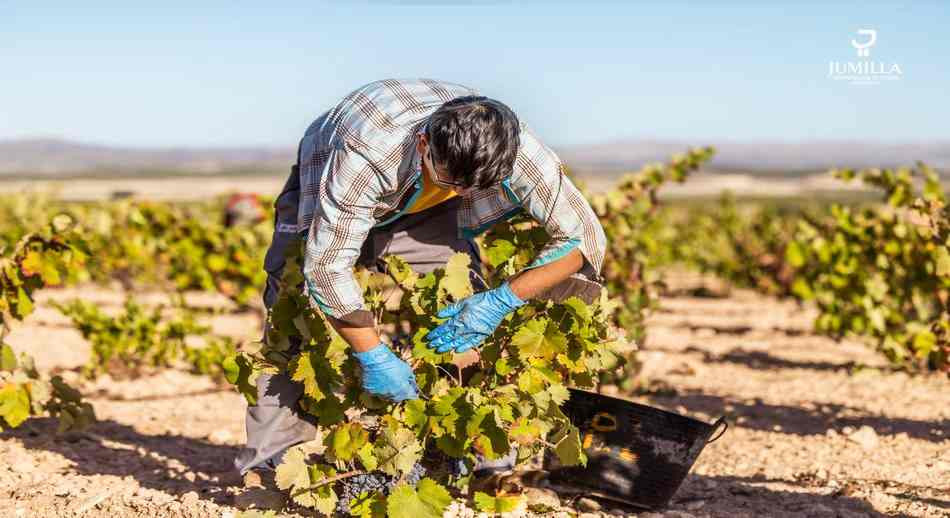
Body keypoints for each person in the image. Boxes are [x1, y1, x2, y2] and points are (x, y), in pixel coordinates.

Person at [234, 78, 607, 501]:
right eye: (451, 179)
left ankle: (480, 462)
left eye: (476, 186)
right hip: (330, 181)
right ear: (425, 142)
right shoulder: (367, 151)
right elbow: (326, 266)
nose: (463, 193)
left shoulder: (517, 151)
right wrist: (372, 353)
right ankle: (272, 468)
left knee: (455, 301)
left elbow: (584, 238)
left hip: (426, 207)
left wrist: (501, 300)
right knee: (292, 317)